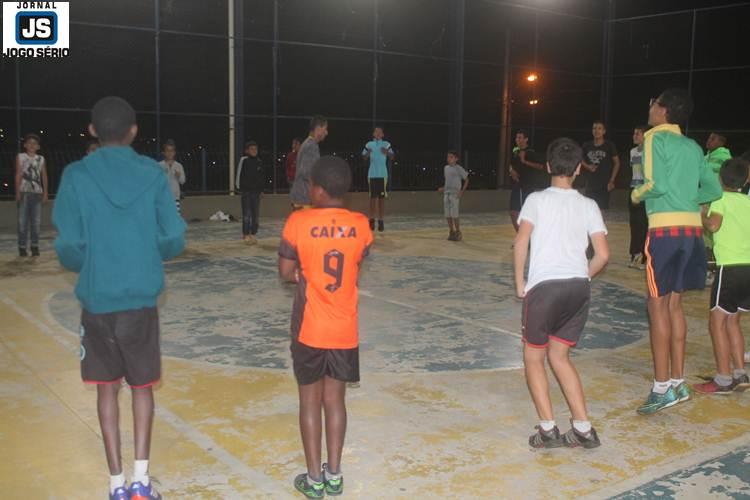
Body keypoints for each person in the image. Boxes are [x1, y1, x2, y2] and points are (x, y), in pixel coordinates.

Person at [53, 96, 186, 500]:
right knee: (142, 388)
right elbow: (174, 237)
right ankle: (142, 483)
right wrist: (147, 254)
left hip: (97, 302)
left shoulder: (75, 175)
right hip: (141, 302)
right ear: (133, 132)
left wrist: (93, 262)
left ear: (92, 131)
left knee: (105, 389)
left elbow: (68, 247)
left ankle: (115, 484)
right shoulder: (151, 174)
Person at [278, 156, 373, 498]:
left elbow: (286, 272)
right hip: (344, 328)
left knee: (309, 401)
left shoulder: (298, 222)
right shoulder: (361, 224)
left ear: (316, 189)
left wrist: (304, 274)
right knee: (335, 400)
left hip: (309, 328)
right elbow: (356, 259)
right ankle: (335, 474)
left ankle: (314, 479)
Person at [514, 137, 609, 450]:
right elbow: (603, 255)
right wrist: (582, 275)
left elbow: (521, 241)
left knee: (533, 357)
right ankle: (583, 427)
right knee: (560, 356)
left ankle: (547, 428)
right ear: (579, 169)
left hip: (545, 288)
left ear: (547, 167)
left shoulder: (537, 200)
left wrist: (520, 283)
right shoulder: (589, 205)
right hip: (578, 288)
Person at [632, 89, 722, 415]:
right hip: (691, 233)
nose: (650, 108)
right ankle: (678, 383)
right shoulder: (694, 146)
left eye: (653, 103)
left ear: (664, 110)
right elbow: (712, 189)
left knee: (656, 307)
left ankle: (660, 388)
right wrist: (692, 204)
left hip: (664, 231)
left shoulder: (654, 139)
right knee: (675, 305)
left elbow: (656, 184)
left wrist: (636, 195)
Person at [693, 159, 750, 394]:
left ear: (720, 179)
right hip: (748, 266)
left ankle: (723, 379)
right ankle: (740, 373)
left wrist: (701, 215)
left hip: (730, 268)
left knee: (716, 322)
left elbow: (714, 226)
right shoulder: (747, 201)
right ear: (746, 180)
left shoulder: (721, 200)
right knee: (733, 321)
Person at [15, 133, 48, 257]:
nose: (32, 145)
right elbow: (18, 174)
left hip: (37, 193)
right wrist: (17, 192)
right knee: (22, 221)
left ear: (38, 146)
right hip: (24, 192)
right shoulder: (20, 157)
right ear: (25, 145)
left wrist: (45, 192)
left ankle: (35, 246)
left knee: (36, 222)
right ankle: (22, 247)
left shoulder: (41, 159)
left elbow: (44, 175)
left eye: (34, 143)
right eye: (29, 143)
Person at [509, 129, 546, 232]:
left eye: (520, 137)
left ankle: (528, 237)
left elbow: (541, 166)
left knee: (526, 213)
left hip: (527, 186)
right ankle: (520, 236)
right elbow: (511, 164)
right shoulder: (515, 151)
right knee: (513, 212)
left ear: (526, 139)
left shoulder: (531, 152)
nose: (518, 140)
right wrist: (511, 171)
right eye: (517, 138)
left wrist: (525, 161)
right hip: (517, 185)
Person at [290, 116, 328, 210]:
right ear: (318, 129)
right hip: (305, 198)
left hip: (301, 196)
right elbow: (307, 172)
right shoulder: (312, 146)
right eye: (325, 129)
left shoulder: (307, 144)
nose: (326, 132)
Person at [361, 126, 394, 232]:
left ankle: (381, 221)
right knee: (372, 199)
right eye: (376, 132)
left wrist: (387, 152)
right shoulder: (369, 144)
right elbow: (364, 157)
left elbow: (392, 156)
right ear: (373, 134)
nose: (378, 133)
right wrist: (368, 153)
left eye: (380, 132)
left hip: (382, 175)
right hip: (372, 175)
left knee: (381, 200)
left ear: (383, 134)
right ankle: (371, 221)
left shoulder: (386, 144)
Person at [581, 121, 620, 209]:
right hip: (590, 184)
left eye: (599, 128)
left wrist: (612, 180)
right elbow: (579, 159)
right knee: (588, 210)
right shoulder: (587, 145)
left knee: (603, 211)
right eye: (594, 128)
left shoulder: (609, 145)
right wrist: (587, 166)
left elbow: (617, 163)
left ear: (604, 131)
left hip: (604, 185)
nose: (596, 131)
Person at [236, 141, 265, 243]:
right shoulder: (244, 160)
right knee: (246, 214)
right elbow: (239, 174)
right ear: (247, 151)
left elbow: (261, 177)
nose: (254, 151)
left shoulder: (259, 162)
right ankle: (245, 234)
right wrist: (239, 188)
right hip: (246, 192)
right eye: (252, 149)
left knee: (255, 215)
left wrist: (261, 190)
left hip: (256, 193)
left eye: (255, 149)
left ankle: (253, 233)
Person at [628, 125, 649, 269]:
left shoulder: (650, 152)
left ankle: (644, 257)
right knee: (634, 224)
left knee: (644, 224)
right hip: (633, 190)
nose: (634, 136)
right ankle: (634, 254)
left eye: (638, 133)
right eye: (634, 133)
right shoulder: (632, 151)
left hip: (645, 192)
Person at [438, 150, 469, 241]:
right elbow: (448, 182)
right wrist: (443, 188)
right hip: (446, 194)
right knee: (448, 215)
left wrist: (461, 191)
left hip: (455, 194)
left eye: (451, 157)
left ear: (456, 159)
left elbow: (466, 180)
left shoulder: (458, 168)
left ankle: (458, 231)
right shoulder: (446, 168)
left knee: (455, 215)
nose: (449, 159)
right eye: (448, 157)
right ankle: (451, 231)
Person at [159, 139, 186, 215]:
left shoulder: (179, 166)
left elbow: (183, 181)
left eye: (171, 151)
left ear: (174, 153)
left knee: (175, 218)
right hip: (163, 198)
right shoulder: (159, 165)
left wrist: (179, 176)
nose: (170, 153)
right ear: (164, 153)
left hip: (175, 198)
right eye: (167, 151)